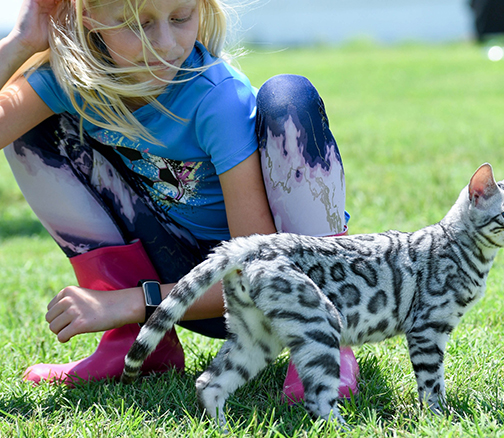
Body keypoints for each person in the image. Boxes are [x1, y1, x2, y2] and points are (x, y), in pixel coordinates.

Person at [0, 0, 358, 401]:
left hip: (266, 280)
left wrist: (131, 302)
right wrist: (20, 44)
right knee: (26, 129)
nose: (166, 45)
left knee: (289, 96)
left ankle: (321, 337)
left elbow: (253, 270)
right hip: (183, 273)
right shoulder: (69, 81)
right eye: (138, 25)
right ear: (91, 18)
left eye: (180, 18)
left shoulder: (215, 98)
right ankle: (137, 346)